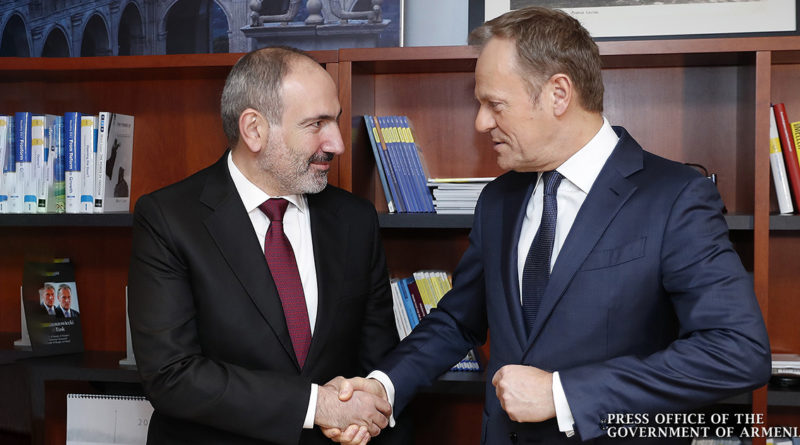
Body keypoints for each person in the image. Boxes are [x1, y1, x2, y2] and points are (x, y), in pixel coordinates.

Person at [327, 7, 771, 444]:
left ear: (559, 94)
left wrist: (564, 394)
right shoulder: (498, 199)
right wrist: (384, 386)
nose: (481, 122)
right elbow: (458, 320)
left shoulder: (676, 197)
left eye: (494, 104)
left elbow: (737, 352)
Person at [128, 46, 408, 445]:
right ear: (254, 129)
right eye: (317, 124)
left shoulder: (356, 220)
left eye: (336, 121)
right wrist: (315, 405)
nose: (337, 143)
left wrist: (363, 417)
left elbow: (378, 360)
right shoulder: (168, 218)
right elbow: (171, 374)